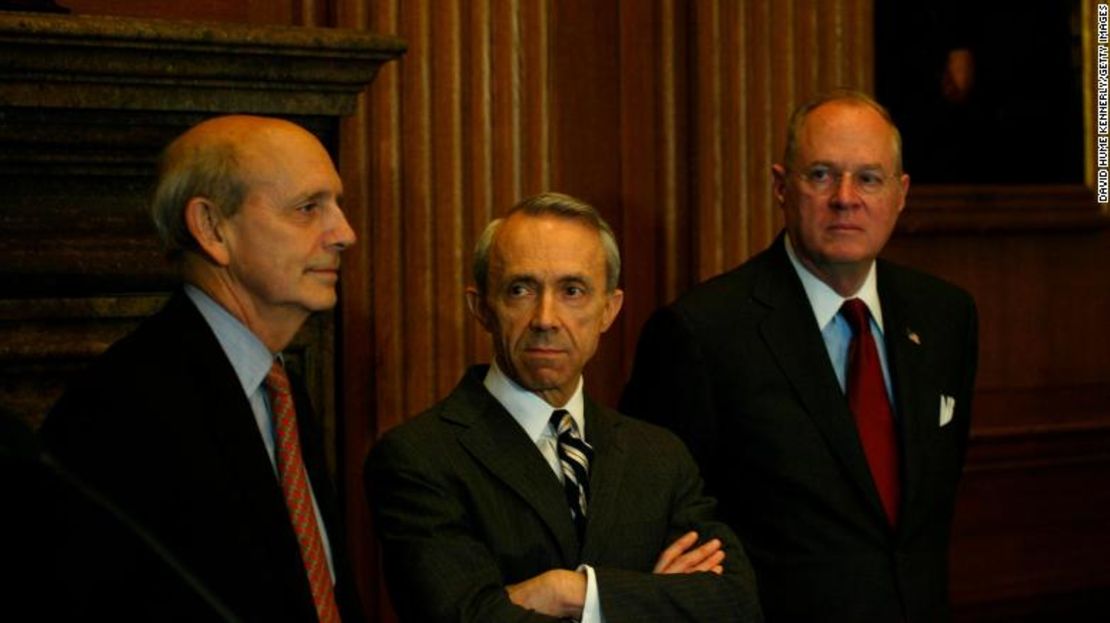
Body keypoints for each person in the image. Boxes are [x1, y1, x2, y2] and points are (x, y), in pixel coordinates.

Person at [621, 90, 978, 622]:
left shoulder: (946, 316)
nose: (845, 197)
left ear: (900, 194)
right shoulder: (702, 332)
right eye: (820, 175)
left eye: (869, 178)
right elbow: (654, 527)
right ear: (780, 187)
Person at [366, 192, 762, 622]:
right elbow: (462, 617)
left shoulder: (659, 457)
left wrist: (568, 591)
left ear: (609, 310)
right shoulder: (419, 458)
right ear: (481, 307)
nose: (546, 318)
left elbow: (735, 603)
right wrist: (649, 598)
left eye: (572, 291)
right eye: (521, 290)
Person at [40, 115, 364, 623]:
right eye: (307, 209)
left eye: (337, 207)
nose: (345, 233)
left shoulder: (281, 388)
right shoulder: (122, 405)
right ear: (212, 228)